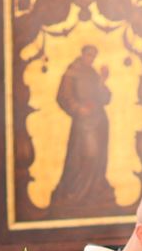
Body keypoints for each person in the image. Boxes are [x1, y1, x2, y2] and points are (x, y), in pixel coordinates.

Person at [49, 45, 116, 212]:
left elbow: (104, 98)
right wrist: (78, 108)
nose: (91, 58)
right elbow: (63, 96)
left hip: (99, 121)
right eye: (89, 55)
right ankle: (75, 193)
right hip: (84, 124)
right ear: (83, 54)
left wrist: (102, 81)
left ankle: (94, 191)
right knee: (86, 155)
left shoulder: (92, 73)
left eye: (93, 56)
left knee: (99, 157)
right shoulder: (72, 72)